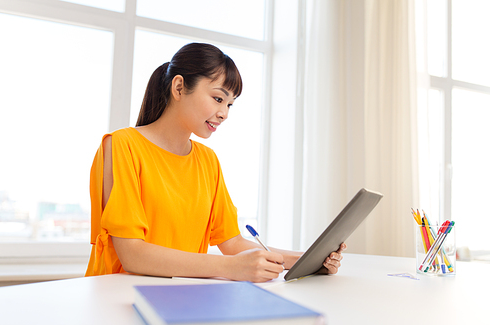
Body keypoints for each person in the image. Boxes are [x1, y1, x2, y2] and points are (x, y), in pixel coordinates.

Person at [85, 42, 346, 282]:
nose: (224, 114)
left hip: (181, 297)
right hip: (120, 299)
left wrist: (305, 260)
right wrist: (231, 268)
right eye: (218, 99)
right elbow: (133, 255)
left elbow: (231, 242)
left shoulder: (207, 160)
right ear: (179, 88)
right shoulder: (121, 145)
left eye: (230, 105)